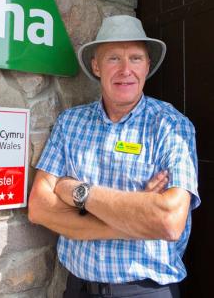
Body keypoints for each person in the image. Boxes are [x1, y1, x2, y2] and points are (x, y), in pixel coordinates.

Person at [28, 15, 200, 298]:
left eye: (135, 58)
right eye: (113, 59)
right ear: (96, 66)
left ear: (147, 65)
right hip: (78, 289)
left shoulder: (171, 125)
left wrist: (75, 191)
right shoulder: (69, 123)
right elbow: (39, 207)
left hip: (145, 291)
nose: (125, 70)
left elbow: (168, 221)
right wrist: (134, 216)